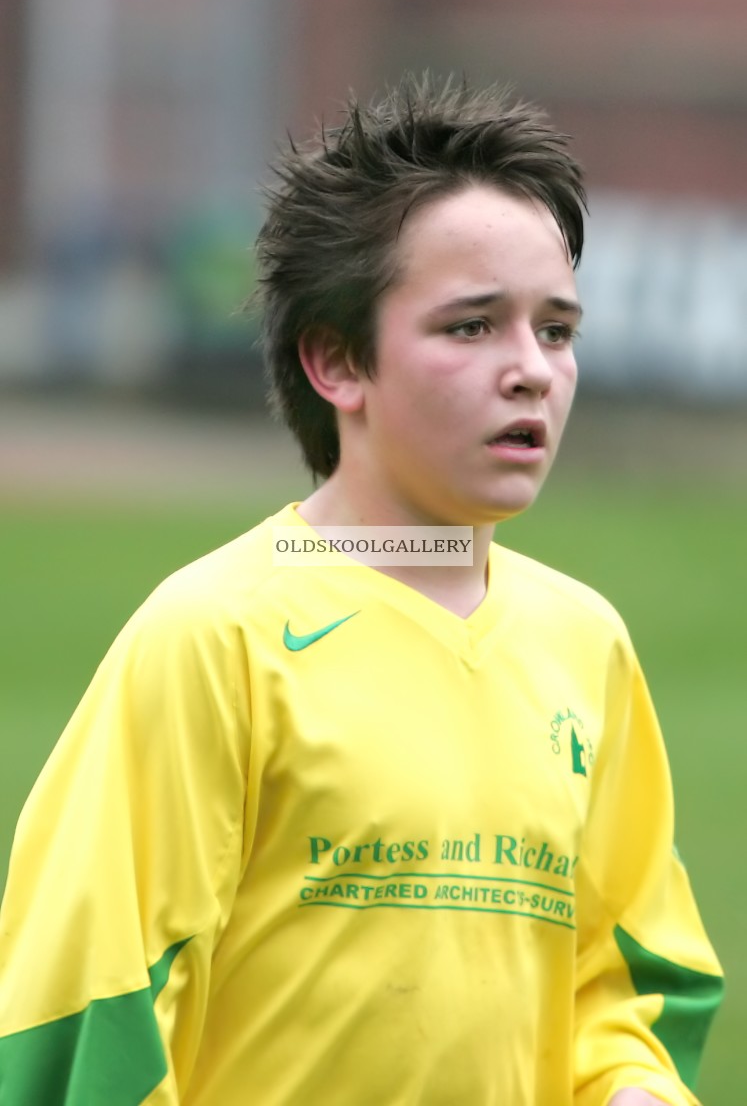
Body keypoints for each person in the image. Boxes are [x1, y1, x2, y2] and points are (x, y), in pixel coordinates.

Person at [0, 74, 723, 1105]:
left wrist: (631, 1089)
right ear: (338, 360)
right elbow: (87, 1005)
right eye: (473, 326)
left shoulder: (586, 644)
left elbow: (627, 978)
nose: (531, 370)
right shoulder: (215, 636)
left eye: (555, 330)